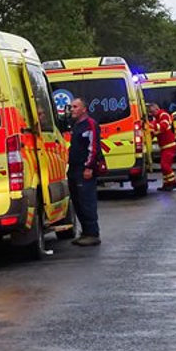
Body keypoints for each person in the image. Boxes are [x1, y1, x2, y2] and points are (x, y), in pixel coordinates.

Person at [68, 98, 102, 246]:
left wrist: (89, 167)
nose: (71, 109)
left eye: (75, 107)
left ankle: (93, 233)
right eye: (71, 107)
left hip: (84, 169)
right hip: (74, 168)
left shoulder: (90, 124)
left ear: (84, 109)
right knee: (77, 201)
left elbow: (93, 147)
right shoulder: (76, 126)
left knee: (87, 201)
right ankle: (86, 232)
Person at [148, 102, 176, 191]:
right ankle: (166, 183)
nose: (151, 114)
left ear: (157, 109)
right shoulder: (157, 118)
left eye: (152, 112)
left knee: (164, 165)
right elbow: (154, 131)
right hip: (164, 146)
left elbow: (163, 126)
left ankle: (173, 182)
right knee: (164, 166)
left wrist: (153, 127)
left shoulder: (164, 115)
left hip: (169, 145)